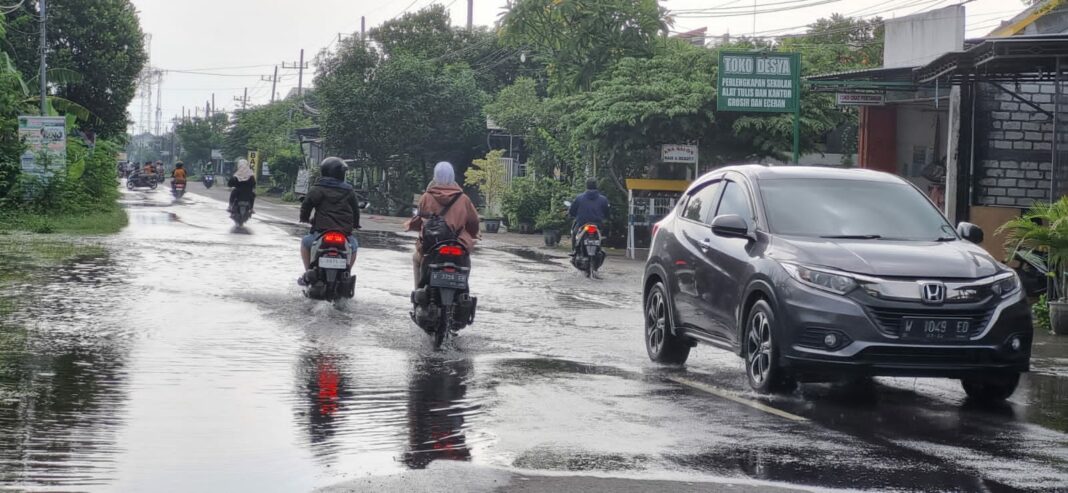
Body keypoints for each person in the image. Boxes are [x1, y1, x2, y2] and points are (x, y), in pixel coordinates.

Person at [404, 161, 480, 287]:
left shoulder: (426, 197)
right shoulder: (463, 199)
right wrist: (472, 234)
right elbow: (474, 221)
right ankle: (463, 289)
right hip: (458, 244)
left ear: (435, 176)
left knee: (416, 259)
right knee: (466, 262)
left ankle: (418, 291)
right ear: (453, 176)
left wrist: (410, 226)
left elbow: (419, 220)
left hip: (432, 246)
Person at [298, 157, 362, 283]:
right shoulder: (349, 190)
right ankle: (347, 272)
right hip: (344, 233)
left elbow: (306, 205)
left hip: (321, 232)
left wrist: (304, 218)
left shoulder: (317, 188)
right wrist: (356, 224)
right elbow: (356, 210)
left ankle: (307, 273)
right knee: (353, 246)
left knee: (305, 243)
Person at [568, 178, 610, 251]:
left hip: (582, 223)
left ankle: (574, 250)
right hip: (597, 224)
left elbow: (572, 211)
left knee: (574, 233)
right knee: (603, 234)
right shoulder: (603, 199)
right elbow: (607, 213)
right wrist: (605, 218)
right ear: (596, 186)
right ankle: (600, 248)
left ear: (586, 186)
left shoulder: (579, 198)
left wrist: (572, 214)